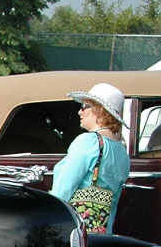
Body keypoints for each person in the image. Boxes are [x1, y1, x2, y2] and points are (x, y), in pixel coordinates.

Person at [51, 83, 131, 233]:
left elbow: (63, 189)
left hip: (76, 232)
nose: (79, 112)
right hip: (104, 233)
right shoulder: (122, 152)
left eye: (84, 106)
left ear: (99, 111)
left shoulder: (89, 142)